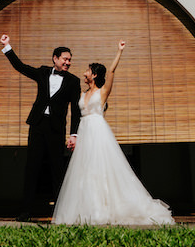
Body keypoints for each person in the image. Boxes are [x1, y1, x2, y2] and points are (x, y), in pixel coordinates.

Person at [52, 40, 175, 226]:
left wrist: (119, 51)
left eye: (88, 69)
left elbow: (111, 72)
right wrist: (74, 135)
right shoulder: (81, 94)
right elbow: (75, 115)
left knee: (101, 170)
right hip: (84, 132)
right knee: (85, 173)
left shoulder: (102, 92)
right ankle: (88, 210)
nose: (84, 71)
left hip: (98, 133)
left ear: (93, 74)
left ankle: (107, 208)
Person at [0, 34, 82, 222]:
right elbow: (21, 67)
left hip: (56, 128)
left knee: (57, 169)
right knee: (32, 167)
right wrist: (7, 47)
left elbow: (75, 110)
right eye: (65, 59)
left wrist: (74, 134)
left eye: (70, 60)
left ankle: (61, 213)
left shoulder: (73, 81)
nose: (68, 62)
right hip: (37, 125)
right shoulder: (43, 72)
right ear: (55, 58)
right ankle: (26, 212)